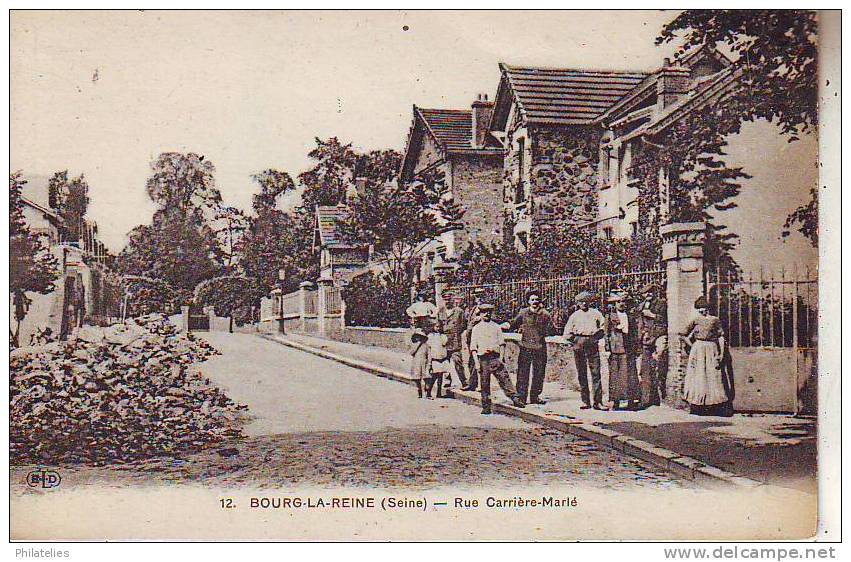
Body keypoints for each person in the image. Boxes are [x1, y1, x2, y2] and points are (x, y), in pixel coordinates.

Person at [680, 296, 733, 416]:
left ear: (707, 308)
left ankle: (713, 405)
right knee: (698, 376)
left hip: (711, 348)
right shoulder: (696, 320)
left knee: (712, 375)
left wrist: (721, 353)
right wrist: (693, 345)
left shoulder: (715, 320)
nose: (700, 310)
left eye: (702, 308)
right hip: (698, 350)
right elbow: (683, 334)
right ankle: (698, 405)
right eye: (698, 308)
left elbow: (721, 337)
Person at [469, 304, 526, 414]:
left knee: (505, 379)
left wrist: (501, 358)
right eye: (484, 312)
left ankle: (515, 398)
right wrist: (476, 363)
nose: (487, 314)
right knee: (484, 384)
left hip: (495, 358)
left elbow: (502, 344)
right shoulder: (476, 329)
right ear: (480, 314)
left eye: (489, 312)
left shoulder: (496, 327)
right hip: (483, 359)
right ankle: (486, 406)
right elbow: (473, 348)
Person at [503, 290, 557, 405]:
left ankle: (535, 396)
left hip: (540, 347)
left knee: (539, 373)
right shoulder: (523, 313)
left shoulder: (545, 314)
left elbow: (552, 330)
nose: (535, 302)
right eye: (532, 300)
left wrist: (545, 332)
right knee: (523, 373)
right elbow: (513, 324)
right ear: (528, 301)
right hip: (526, 347)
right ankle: (521, 397)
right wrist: (504, 326)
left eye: (537, 300)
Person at [563, 291, 607, 410]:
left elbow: (603, 327)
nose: (583, 304)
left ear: (589, 302)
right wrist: (575, 340)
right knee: (581, 373)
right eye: (581, 302)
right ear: (577, 303)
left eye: (586, 301)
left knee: (596, 373)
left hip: (592, 343)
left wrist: (596, 337)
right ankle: (585, 401)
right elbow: (567, 332)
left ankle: (598, 402)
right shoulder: (574, 315)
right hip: (579, 344)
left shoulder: (596, 313)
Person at [605, 293, 640, 410]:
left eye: (624, 302)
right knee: (615, 376)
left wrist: (636, 347)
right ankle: (615, 401)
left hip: (628, 349)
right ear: (615, 304)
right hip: (615, 349)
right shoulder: (610, 317)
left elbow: (634, 333)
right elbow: (607, 334)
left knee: (629, 375)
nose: (621, 304)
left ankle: (630, 400)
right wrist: (607, 348)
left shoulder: (630, 317)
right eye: (619, 302)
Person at [637, 283, 666, 407]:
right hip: (646, 339)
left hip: (658, 337)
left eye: (650, 292)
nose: (648, 295)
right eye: (645, 293)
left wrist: (653, 315)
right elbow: (639, 322)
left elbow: (665, 321)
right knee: (645, 370)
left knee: (659, 368)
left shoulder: (661, 303)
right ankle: (646, 400)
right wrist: (642, 333)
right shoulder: (641, 306)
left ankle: (661, 398)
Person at [439, 292, 468, 389]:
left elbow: (464, 325)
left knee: (457, 361)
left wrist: (456, 333)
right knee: (445, 362)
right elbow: (438, 325)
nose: (447, 302)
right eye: (445, 300)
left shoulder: (459, 311)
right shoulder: (441, 312)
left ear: (453, 300)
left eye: (449, 299)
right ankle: (447, 380)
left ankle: (464, 381)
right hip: (444, 341)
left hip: (455, 341)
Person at [461, 288, 487, 391]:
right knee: (472, 361)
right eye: (477, 296)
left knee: (481, 361)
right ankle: (472, 383)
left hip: (481, 337)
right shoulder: (473, 308)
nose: (478, 298)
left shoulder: (485, 309)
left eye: (481, 295)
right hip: (471, 337)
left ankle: (482, 385)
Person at [426, 326, 450, 398]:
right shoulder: (430, 336)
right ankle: (429, 391)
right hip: (435, 358)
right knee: (435, 375)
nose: (438, 328)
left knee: (440, 376)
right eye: (436, 327)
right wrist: (429, 361)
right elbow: (429, 348)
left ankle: (438, 392)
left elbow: (444, 344)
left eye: (439, 327)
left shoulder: (443, 336)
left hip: (442, 358)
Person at [409, 328, 430, 399]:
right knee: (417, 378)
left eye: (420, 337)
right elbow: (411, 353)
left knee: (426, 377)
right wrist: (417, 345)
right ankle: (419, 390)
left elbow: (429, 354)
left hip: (424, 363)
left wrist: (429, 363)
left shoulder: (426, 345)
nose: (419, 338)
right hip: (416, 363)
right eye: (417, 337)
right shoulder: (414, 345)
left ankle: (427, 391)